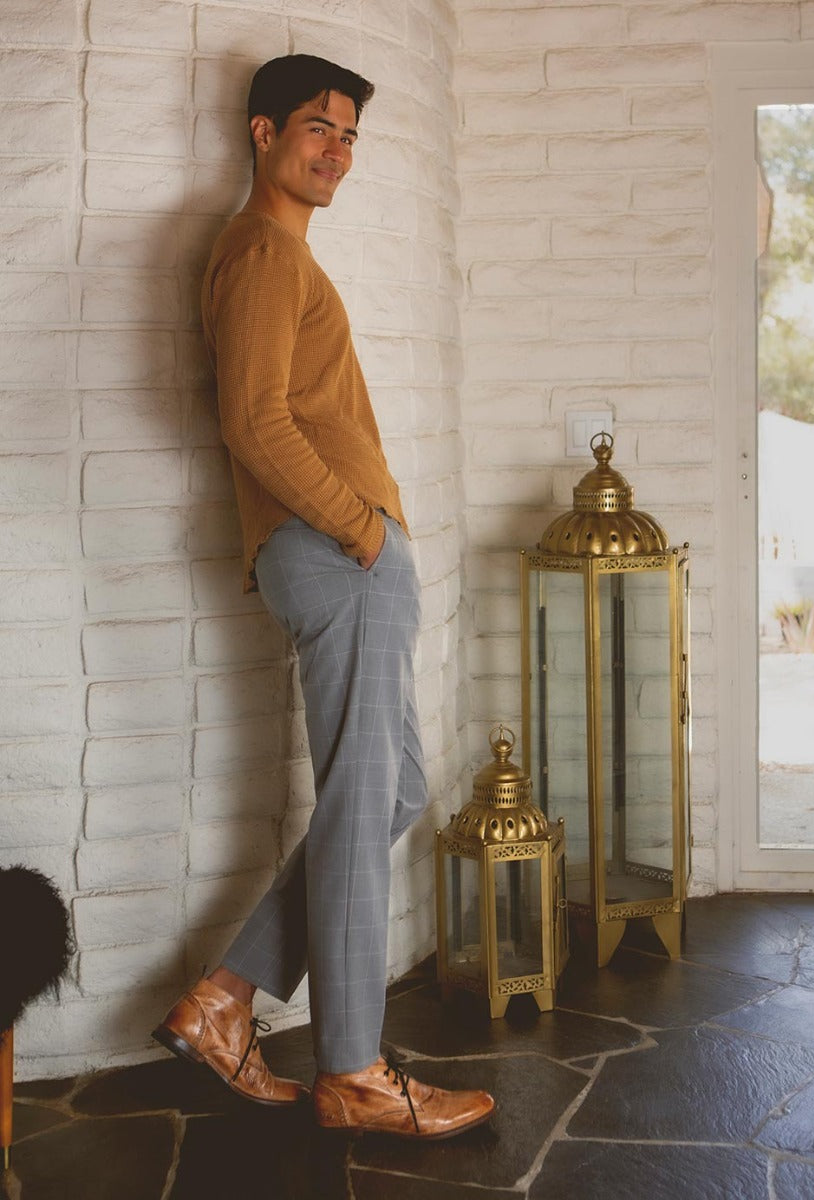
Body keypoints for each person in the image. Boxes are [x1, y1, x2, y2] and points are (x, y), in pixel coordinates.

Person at [152, 53, 494, 1140]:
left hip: (345, 555)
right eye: (315, 127)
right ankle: (351, 1070)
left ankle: (225, 999)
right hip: (329, 551)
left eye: (348, 134)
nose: (334, 148)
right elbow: (253, 423)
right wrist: (357, 527)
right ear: (261, 134)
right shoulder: (259, 252)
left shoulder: (287, 257)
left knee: (386, 789)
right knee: (363, 797)